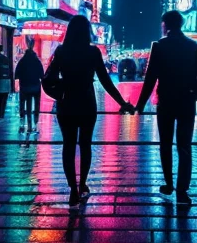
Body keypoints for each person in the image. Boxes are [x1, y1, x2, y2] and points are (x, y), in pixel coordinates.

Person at [43, 14, 133, 209]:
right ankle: (82, 183)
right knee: (85, 144)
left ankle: (72, 189)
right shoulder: (93, 53)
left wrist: (59, 92)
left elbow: (48, 77)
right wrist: (122, 103)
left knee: (68, 146)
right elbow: (106, 81)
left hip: (66, 102)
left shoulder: (61, 51)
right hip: (86, 102)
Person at [136, 10, 197, 206]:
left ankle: (168, 183)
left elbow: (151, 78)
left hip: (166, 101)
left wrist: (140, 105)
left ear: (165, 25)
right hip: (186, 101)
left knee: (165, 144)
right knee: (185, 146)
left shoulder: (159, 46)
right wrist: (194, 95)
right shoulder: (194, 46)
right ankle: (182, 189)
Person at [14, 36, 44, 133]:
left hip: (25, 86)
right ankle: (35, 120)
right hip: (35, 86)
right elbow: (42, 74)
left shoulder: (22, 61)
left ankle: (23, 119)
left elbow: (16, 74)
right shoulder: (37, 61)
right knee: (36, 103)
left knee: (23, 102)